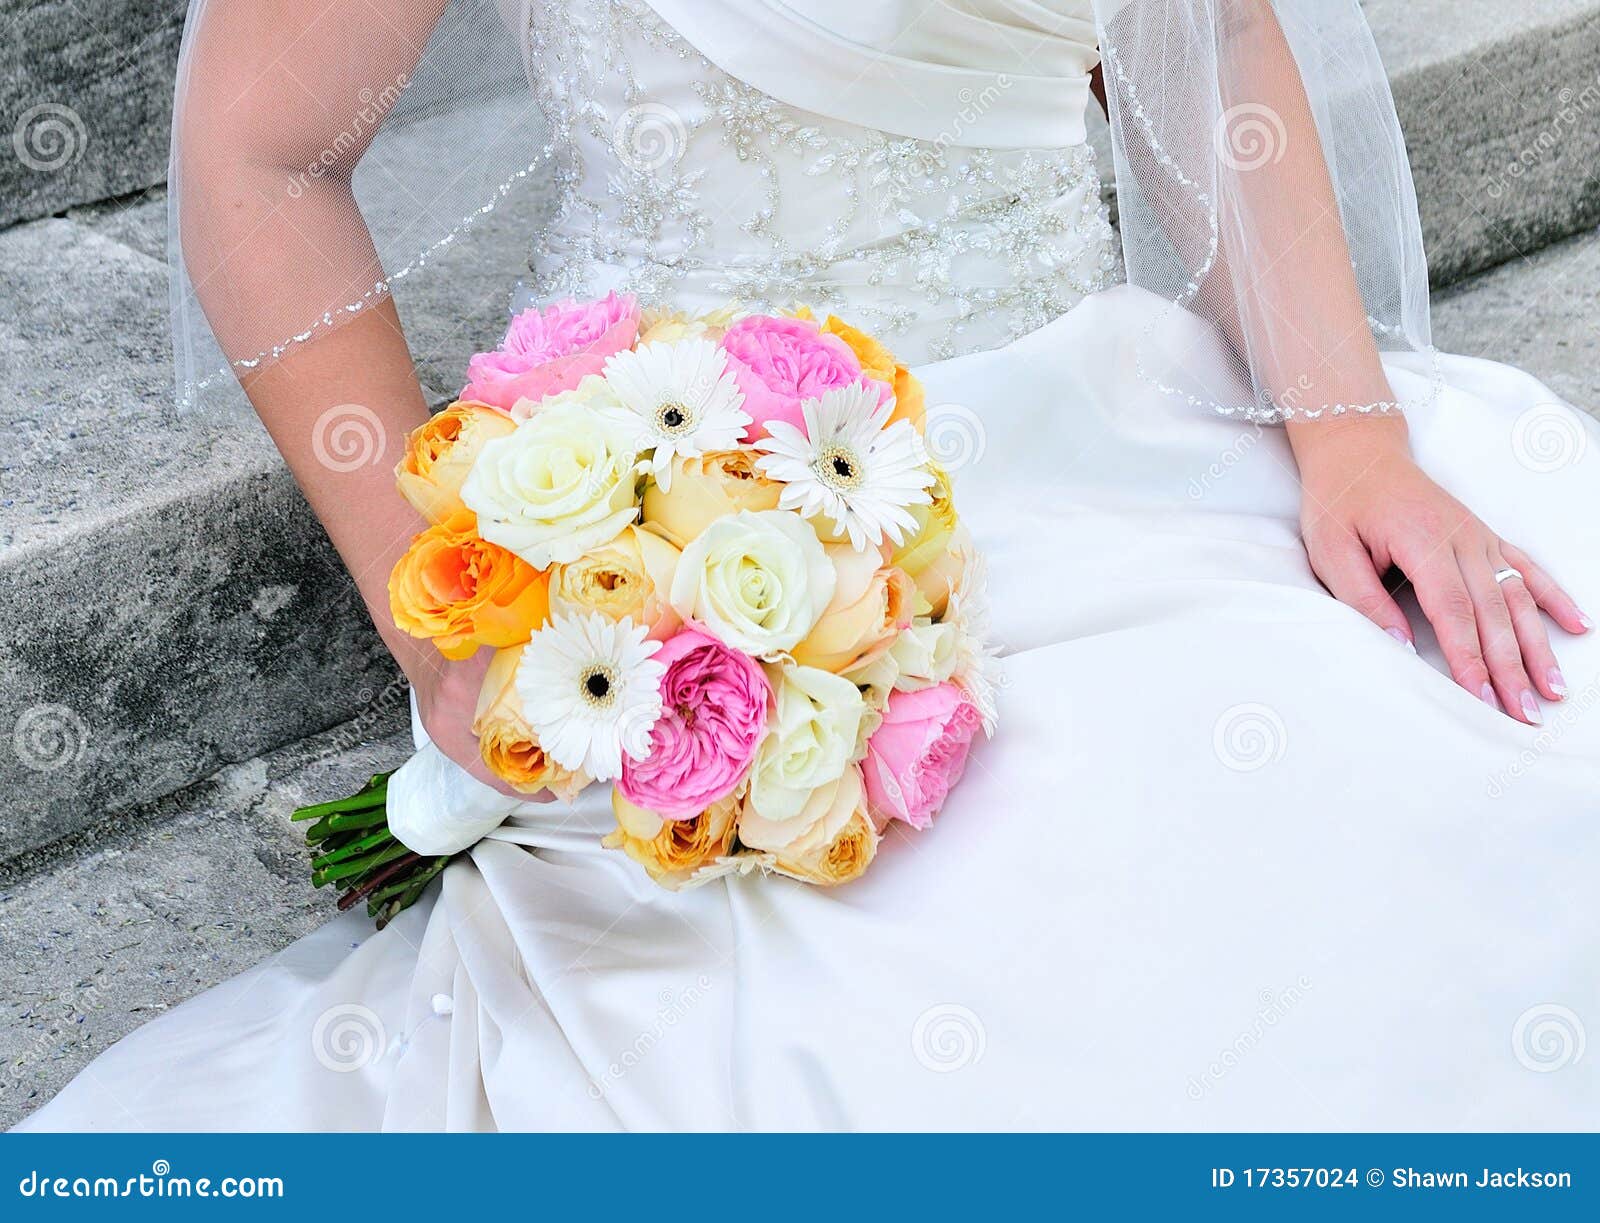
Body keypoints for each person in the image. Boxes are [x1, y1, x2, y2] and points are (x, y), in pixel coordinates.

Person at [19, 0, 1598, 1131]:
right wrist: (444, 631)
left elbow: (1211, 36)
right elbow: (262, 151)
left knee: (1490, 775)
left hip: (1104, 419)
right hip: (723, 526)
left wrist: (1351, 439)